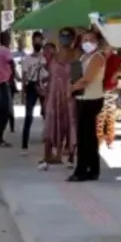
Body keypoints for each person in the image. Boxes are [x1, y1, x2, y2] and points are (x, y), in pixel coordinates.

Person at [68, 28, 107, 182]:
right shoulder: (84, 56)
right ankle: (92, 169)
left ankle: (82, 171)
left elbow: (87, 79)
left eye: (91, 40)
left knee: (85, 137)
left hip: (92, 99)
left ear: (97, 42)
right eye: (84, 40)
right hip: (82, 98)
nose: (87, 43)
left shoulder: (97, 57)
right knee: (88, 136)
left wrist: (70, 89)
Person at [39, 29, 78, 170]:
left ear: (73, 39)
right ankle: (50, 155)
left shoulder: (77, 56)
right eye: (62, 36)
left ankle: (71, 155)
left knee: (71, 123)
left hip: (70, 95)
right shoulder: (53, 57)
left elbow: (78, 77)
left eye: (68, 37)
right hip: (53, 95)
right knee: (51, 122)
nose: (65, 39)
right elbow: (46, 76)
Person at [19, 31, 48, 151]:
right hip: (31, 86)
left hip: (44, 85)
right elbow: (24, 76)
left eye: (39, 40)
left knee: (46, 113)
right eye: (35, 40)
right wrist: (23, 92)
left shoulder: (46, 58)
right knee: (29, 115)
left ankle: (48, 139)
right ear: (32, 42)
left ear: (42, 41)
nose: (37, 42)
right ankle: (24, 143)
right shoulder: (27, 59)